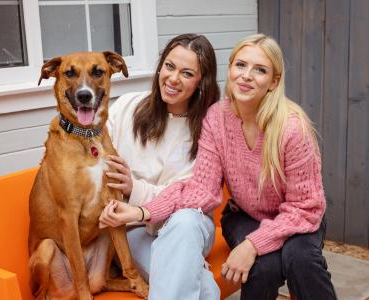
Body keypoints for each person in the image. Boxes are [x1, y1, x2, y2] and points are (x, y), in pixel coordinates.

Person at [100, 33, 338, 300]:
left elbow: (305, 207)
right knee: (256, 271)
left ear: (274, 81)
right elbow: (201, 190)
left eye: (259, 70)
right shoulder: (217, 118)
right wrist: (143, 211)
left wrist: (252, 244)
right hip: (245, 216)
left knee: (301, 259)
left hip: (296, 216)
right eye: (241, 65)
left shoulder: (292, 129)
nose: (247, 75)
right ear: (230, 69)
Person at [99, 33, 221, 300]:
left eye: (187, 73)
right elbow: (93, 153)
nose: (173, 78)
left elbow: (187, 196)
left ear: (202, 82)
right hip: (131, 231)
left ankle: (184, 255)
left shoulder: (208, 129)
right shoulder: (128, 107)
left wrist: (134, 189)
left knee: (186, 220)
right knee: (206, 290)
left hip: (189, 228)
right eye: (169, 66)